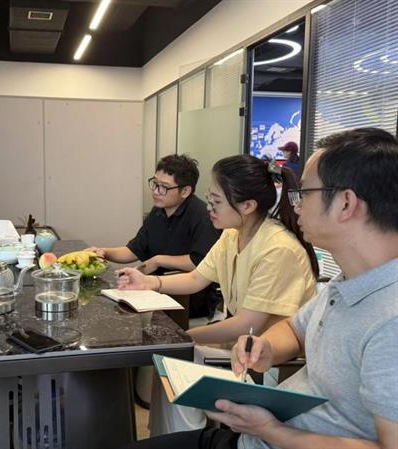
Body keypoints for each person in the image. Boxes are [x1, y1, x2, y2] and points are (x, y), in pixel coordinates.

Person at [120, 127, 398, 449]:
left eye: (304, 194)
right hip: (257, 435)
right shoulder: (348, 282)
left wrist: (271, 430)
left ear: (346, 204)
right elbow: (294, 330)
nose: (296, 206)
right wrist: (265, 346)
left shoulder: (388, 319)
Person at [117, 154, 318, 435]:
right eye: (209, 199)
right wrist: (149, 282)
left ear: (247, 206)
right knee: (169, 362)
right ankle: (172, 438)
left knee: (177, 361)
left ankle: (187, 439)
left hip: (268, 365)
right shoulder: (233, 234)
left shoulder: (277, 249)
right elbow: (197, 278)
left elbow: (246, 324)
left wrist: (184, 337)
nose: (209, 208)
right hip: (238, 350)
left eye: (216, 201)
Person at [88, 154, 221, 318]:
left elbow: (199, 262)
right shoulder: (158, 211)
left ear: (185, 191)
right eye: (155, 183)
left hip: (190, 298)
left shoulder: (203, 216)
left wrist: (159, 260)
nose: (156, 191)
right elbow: (134, 249)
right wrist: (103, 252)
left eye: (164, 187)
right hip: (154, 289)